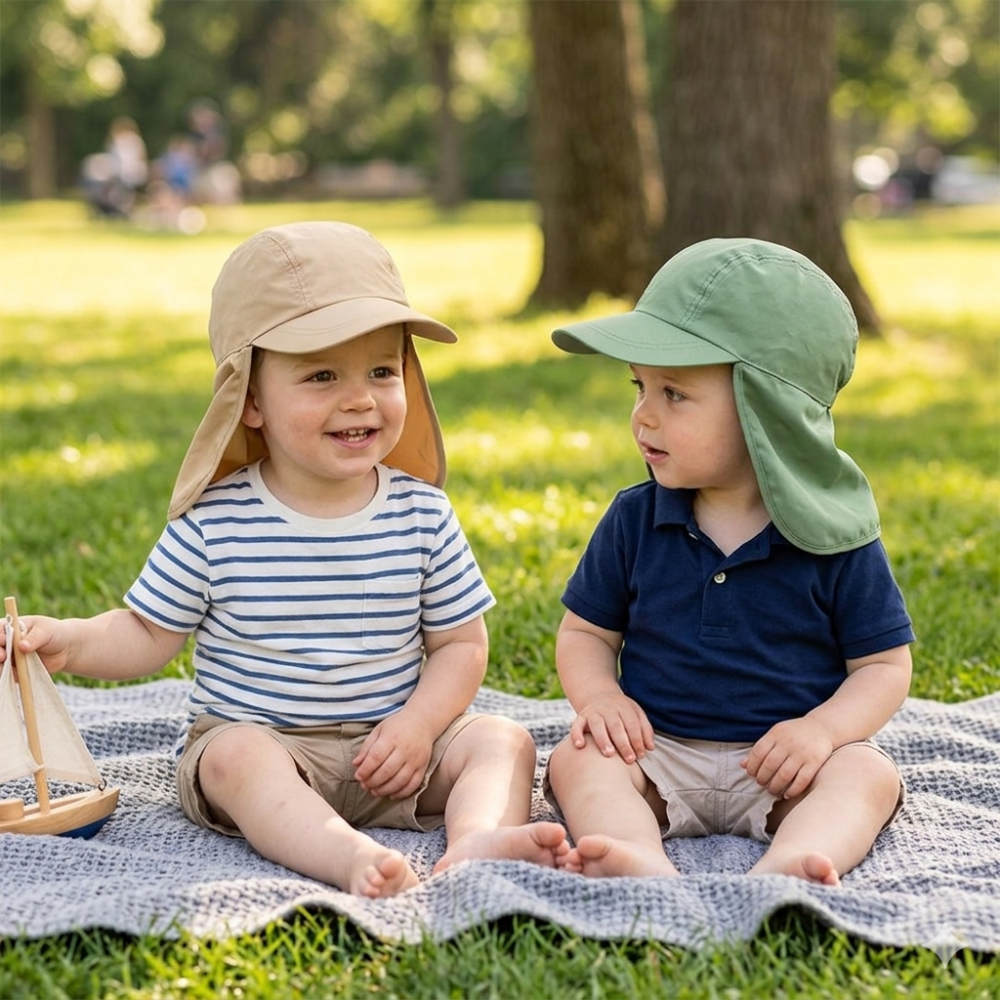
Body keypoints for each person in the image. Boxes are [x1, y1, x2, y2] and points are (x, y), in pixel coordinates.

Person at [2, 222, 568, 897]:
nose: (359, 398)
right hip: (271, 747)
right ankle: (341, 855)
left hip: (397, 747)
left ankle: (475, 843)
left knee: (504, 741)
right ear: (248, 400)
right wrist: (69, 641)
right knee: (234, 756)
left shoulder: (421, 512)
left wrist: (418, 727)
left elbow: (461, 646)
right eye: (322, 374)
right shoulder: (216, 521)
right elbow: (147, 632)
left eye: (383, 371)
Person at [545, 238, 914, 886]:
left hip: (783, 768)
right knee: (576, 760)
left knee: (868, 774)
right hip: (657, 753)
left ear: (765, 410)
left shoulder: (838, 534)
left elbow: (883, 667)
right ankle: (633, 849)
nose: (642, 416)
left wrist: (821, 733)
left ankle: (794, 859)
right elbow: (585, 632)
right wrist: (601, 698)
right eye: (639, 388)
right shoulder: (636, 517)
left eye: (674, 394)